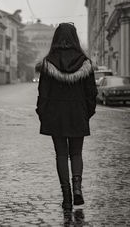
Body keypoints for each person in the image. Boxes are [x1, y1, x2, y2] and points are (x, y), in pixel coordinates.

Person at [35, 23, 98, 213]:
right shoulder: (85, 63)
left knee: (61, 155)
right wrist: (86, 113)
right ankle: (78, 187)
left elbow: (43, 94)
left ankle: (67, 198)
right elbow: (91, 94)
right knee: (76, 153)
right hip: (77, 113)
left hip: (56, 116)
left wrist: (43, 114)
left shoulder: (48, 63)